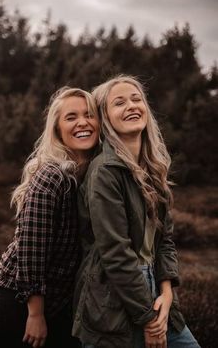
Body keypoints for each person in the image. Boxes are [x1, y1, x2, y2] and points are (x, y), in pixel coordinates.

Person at [72, 74, 201, 348]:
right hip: (113, 298)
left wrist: (167, 292)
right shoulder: (105, 171)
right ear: (105, 118)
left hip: (155, 287)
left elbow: (164, 240)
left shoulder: (153, 169)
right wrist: (148, 319)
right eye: (119, 103)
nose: (131, 105)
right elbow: (115, 253)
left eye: (136, 99)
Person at [0, 86, 100, 348]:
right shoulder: (52, 176)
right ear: (57, 129)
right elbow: (31, 248)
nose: (82, 122)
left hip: (57, 304)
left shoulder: (89, 175)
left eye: (89, 115)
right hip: (19, 305)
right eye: (71, 117)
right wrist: (35, 314)